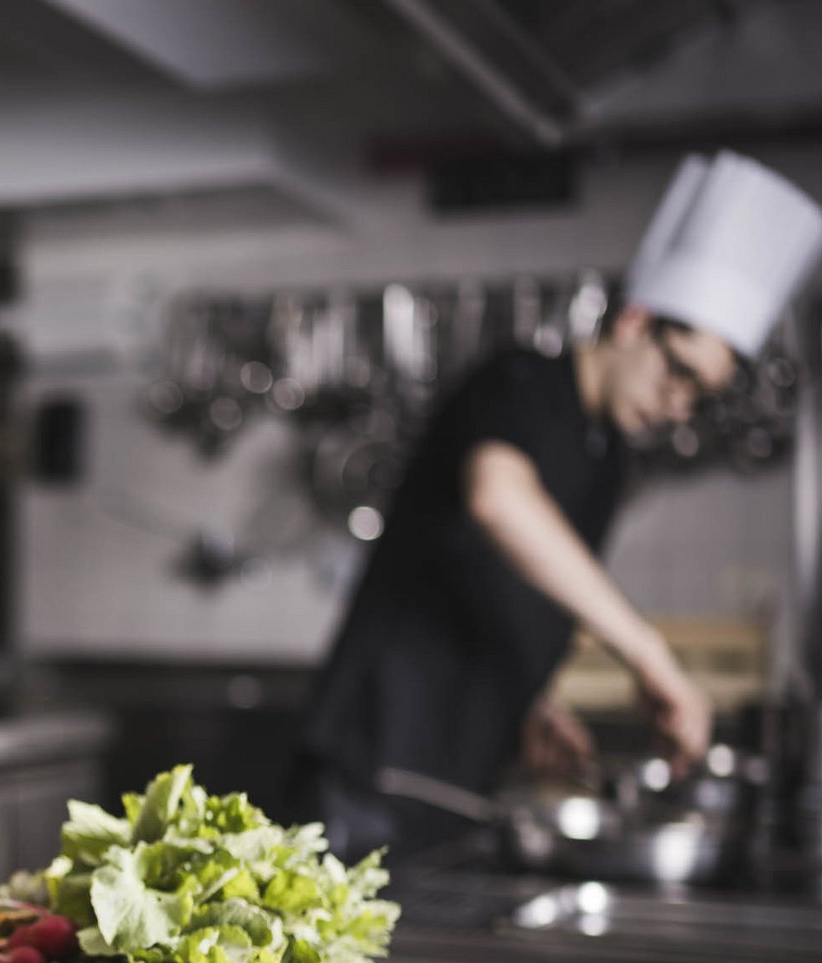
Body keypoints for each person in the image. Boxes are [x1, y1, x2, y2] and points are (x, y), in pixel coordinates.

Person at [291, 151, 822, 859]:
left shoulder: (606, 458)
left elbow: (499, 579)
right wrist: (651, 657)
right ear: (635, 324)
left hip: (453, 783)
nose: (678, 402)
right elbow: (499, 501)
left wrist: (528, 700)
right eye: (679, 372)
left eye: (698, 393)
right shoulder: (523, 382)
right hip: (370, 765)